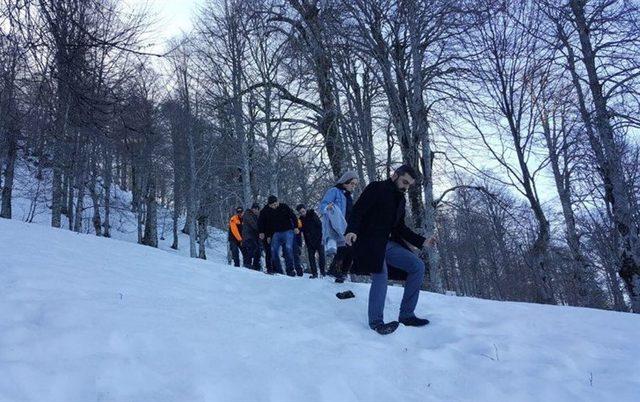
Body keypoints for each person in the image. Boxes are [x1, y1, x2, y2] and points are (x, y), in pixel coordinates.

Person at [344, 165, 437, 335]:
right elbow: (357, 211)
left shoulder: (401, 199)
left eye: (409, 185)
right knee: (380, 274)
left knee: (417, 266)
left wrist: (422, 241)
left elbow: (400, 227)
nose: (406, 187)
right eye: (404, 182)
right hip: (368, 241)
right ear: (394, 175)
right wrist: (351, 230)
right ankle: (376, 323)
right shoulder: (376, 188)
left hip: (387, 244)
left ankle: (407, 315)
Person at [320, 171, 358, 283]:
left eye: (355, 184)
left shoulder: (349, 196)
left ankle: (342, 273)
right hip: (336, 225)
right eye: (352, 183)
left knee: (351, 249)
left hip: (347, 226)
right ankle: (336, 271)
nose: (353, 186)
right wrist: (328, 207)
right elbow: (323, 205)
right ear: (345, 182)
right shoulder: (334, 191)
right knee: (343, 248)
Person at [258, 195, 300, 276]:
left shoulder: (284, 206)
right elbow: (265, 224)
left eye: (275, 204)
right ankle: (278, 270)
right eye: (272, 205)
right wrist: (266, 234)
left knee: (288, 248)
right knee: (273, 250)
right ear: (269, 205)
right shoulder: (266, 210)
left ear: (277, 202)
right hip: (276, 233)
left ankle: (290, 270)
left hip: (287, 231)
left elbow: (293, 216)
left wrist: (295, 227)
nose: (274, 206)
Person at [296, 204, 326, 278]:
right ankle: (314, 273)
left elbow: (320, 225)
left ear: (305, 209)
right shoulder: (300, 219)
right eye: (300, 212)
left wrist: (321, 236)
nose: (302, 213)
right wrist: (297, 230)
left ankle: (323, 272)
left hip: (319, 238)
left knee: (321, 256)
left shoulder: (312, 214)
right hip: (309, 241)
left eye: (303, 211)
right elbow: (300, 230)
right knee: (311, 257)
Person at [241, 203, 262, 271]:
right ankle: (247, 265)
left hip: (254, 237)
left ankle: (256, 266)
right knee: (251, 248)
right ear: (252, 208)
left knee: (258, 250)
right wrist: (261, 230)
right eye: (254, 209)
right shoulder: (248, 214)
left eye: (257, 209)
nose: (256, 210)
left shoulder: (256, 216)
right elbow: (254, 225)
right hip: (248, 236)